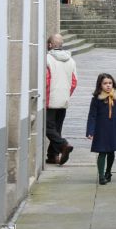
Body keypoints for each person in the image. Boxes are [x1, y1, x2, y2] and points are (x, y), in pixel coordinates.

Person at [86, 73, 116, 185]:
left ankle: (108, 172)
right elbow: (92, 116)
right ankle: (101, 176)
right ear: (100, 85)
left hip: (114, 128)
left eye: (110, 83)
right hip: (101, 129)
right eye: (105, 83)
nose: (108, 85)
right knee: (102, 152)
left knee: (111, 151)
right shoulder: (97, 99)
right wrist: (90, 131)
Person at [46, 33, 77, 166]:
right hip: (63, 99)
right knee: (57, 128)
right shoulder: (71, 60)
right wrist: (66, 94)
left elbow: (46, 80)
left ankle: (64, 145)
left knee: (47, 128)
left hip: (50, 99)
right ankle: (52, 156)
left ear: (50, 45)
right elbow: (74, 81)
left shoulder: (47, 59)